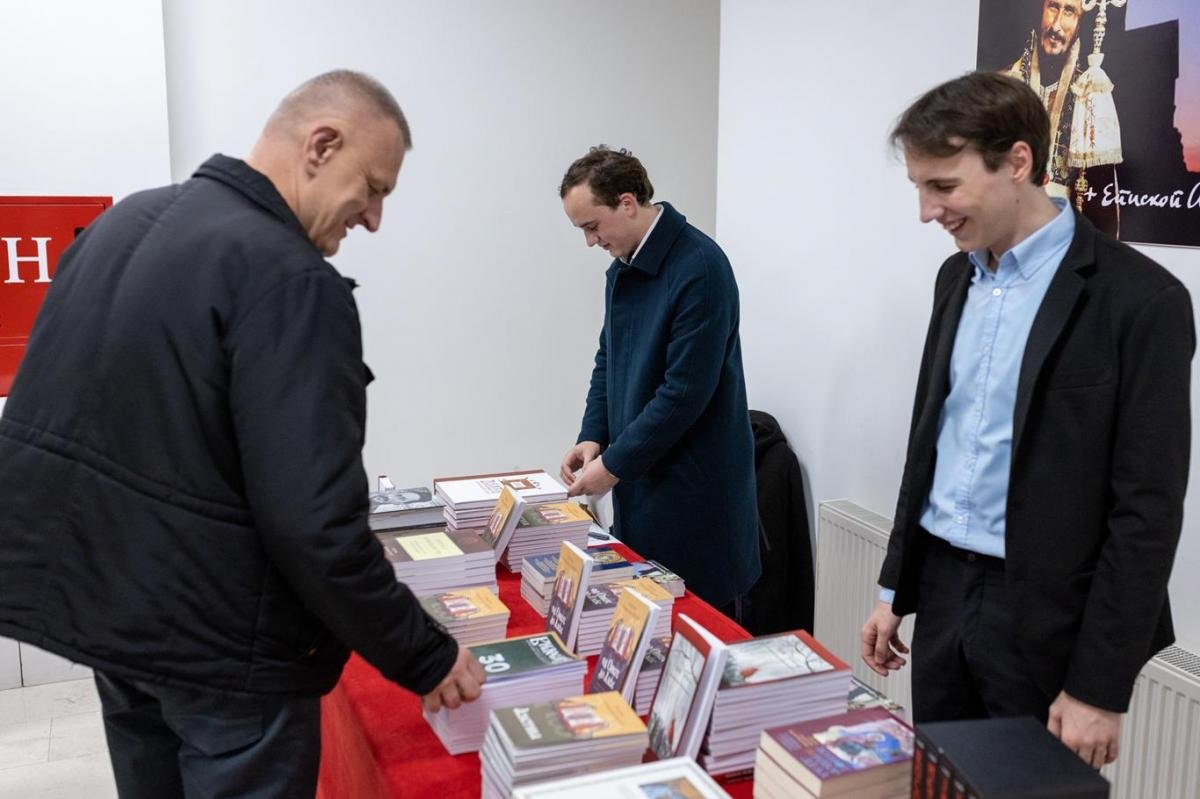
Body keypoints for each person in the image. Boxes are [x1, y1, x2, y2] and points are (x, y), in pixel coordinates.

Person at [0, 70, 484, 797]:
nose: (374, 218)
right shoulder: (292, 281)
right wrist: (424, 654)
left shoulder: (120, 227)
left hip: (115, 626)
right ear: (321, 145)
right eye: (373, 188)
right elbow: (313, 523)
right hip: (226, 654)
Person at [859, 72, 1192, 770]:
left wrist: (1099, 686)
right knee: (942, 782)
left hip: (1046, 616)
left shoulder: (1142, 300)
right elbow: (932, 445)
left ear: (1017, 161)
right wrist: (896, 588)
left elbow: (1147, 509)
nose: (926, 212)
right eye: (919, 187)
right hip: (943, 592)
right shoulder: (954, 280)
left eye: (942, 186)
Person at [557, 146, 760, 620]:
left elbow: (683, 394)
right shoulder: (623, 269)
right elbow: (609, 359)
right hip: (642, 483)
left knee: (698, 632)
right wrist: (593, 435)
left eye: (593, 226)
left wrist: (612, 466)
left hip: (695, 495)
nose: (590, 241)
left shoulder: (700, 267)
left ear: (627, 203)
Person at [1006, 0, 1119, 212]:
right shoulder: (1004, 85)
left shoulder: (1090, 97)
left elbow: (1102, 206)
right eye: (1053, 7)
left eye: (1069, 11)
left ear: (1080, 23)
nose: (1056, 25)